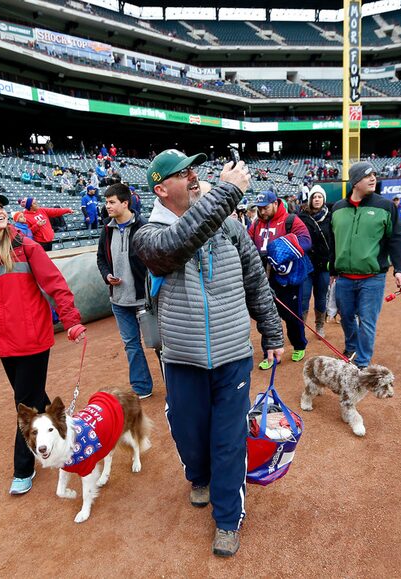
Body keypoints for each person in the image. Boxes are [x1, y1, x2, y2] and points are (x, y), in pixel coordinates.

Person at [133, 149, 282, 558]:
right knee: (189, 431)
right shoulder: (148, 236)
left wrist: (271, 330)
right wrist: (230, 191)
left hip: (233, 352)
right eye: (182, 174)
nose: (194, 176)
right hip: (181, 357)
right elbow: (178, 243)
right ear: (161, 190)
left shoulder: (231, 226)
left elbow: (256, 281)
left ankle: (228, 518)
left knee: (229, 439)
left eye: (194, 169)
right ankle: (198, 475)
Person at [0, 192, 87, 495]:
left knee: (24, 404)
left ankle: (23, 467)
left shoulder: (27, 246)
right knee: (34, 395)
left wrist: (71, 322)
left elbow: (56, 284)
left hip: (32, 339)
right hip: (2, 340)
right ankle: (66, 427)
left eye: (1, 207)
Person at [329, 162, 401, 367]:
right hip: (344, 278)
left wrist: (399, 269)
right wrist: (331, 271)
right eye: (367, 176)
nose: (373, 178)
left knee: (367, 322)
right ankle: (352, 348)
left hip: (373, 278)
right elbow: (332, 242)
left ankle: (362, 363)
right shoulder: (337, 208)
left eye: (374, 174)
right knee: (346, 318)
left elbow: (397, 239)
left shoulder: (385, 206)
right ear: (355, 182)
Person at [95, 183, 153, 399]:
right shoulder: (107, 229)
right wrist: (107, 276)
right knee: (131, 345)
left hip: (144, 298)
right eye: (106, 202)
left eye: (111, 202)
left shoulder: (144, 227)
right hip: (119, 300)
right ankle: (141, 387)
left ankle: (174, 384)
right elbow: (101, 258)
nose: (107, 206)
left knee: (158, 344)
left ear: (125, 203)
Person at [248, 189, 311, 368]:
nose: (262, 212)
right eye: (259, 208)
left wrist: (285, 247)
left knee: (291, 315)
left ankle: (299, 344)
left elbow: (306, 241)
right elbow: (246, 243)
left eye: (265, 207)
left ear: (275, 203)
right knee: (265, 314)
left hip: (288, 276)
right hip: (264, 277)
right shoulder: (255, 224)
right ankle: (269, 352)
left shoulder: (291, 220)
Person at [298, 185, 334, 338]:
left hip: (323, 265)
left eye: (320, 196)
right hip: (306, 265)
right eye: (314, 197)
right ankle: (301, 329)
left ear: (323, 199)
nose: (317, 199)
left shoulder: (330, 217)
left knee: (321, 297)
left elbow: (334, 241)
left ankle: (320, 326)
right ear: (310, 199)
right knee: (304, 297)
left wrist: (333, 263)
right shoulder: (302, 217)